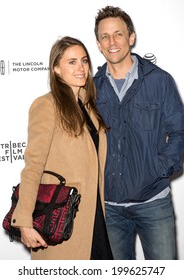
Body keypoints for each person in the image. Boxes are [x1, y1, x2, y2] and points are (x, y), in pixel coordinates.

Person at [93, 6, 184, 260]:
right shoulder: (91, 88)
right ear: (99, 45)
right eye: (105, 37)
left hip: (153, 202)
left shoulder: (160, 81)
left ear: (131, 38)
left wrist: (158, 169)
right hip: (109, 208)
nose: (112, 42)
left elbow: (179, 132)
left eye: (118, 34)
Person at [11, 36, 113, 260]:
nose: (81, 68)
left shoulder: (88, 105)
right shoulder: (46, 106)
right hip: (65, 215)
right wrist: (25, 221)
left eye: (84, 61)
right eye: (72, 62)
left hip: (94, 214)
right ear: (56, 69)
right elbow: (33, 166)